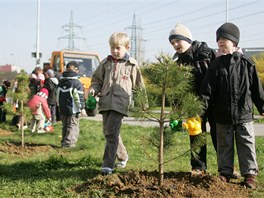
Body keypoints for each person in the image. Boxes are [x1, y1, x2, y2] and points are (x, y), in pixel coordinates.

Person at [200, 22, 264, 189]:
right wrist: (199, 110)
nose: (221, 41)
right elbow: (206, 91)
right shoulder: (214, 66)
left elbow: (257, 89)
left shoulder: (247, 63)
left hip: (244, 113)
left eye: (225, 38)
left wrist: (262, 107)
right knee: (224, 144)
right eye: (219, 39)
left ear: (234, 42)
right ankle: (225, 172)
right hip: (222, 114)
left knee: (246, 143)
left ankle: (249, 174)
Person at [89, 32, 147, 175]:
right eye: (112, 48)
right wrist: (93, 89)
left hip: (121, 103)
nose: (115, 51)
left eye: (118, 48)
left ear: (127, 47)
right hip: (105, 101)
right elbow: (97, 80)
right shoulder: (105, 63)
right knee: (110, 132)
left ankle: (108, 165)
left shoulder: (131, 65)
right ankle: (123, 156)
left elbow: (139, 85)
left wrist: (143, 103)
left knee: (110, 132)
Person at [168, 23, 216, 175]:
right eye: (172, 43)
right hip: (193, 104)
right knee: (195, 135)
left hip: (213, 101)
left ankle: (226, 168)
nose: (175, 45)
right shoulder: (178, 63)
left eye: (177, 40)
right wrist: (177, 107)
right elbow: (176, 87)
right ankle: (198, 167)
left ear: (187, 39)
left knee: (218, 136)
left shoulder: (206, 53)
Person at [57, 61, 85, 148]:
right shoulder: (77, 82)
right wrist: (82, 107)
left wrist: (59, 106)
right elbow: (78, 97)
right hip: (73, 109)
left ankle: (63, 142)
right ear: (76, 70)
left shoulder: (61, 81)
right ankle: (69, 143)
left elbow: (57, 95)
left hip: (62, 108)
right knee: (72, 125)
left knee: (65, 125)